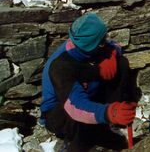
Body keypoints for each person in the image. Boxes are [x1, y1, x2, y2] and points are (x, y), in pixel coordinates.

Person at [41, 13, 138, 152]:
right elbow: (76, 106)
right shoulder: (61, 66)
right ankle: (77, 141)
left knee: (121, 63)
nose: (106, 41)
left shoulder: (88, 44)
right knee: (82, 127)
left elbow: (114, 45)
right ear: (92, 46)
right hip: (61, 110)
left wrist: (111, 55)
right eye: (102, 41)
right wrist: (109, 112)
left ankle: (104, 124)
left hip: (89, 95)